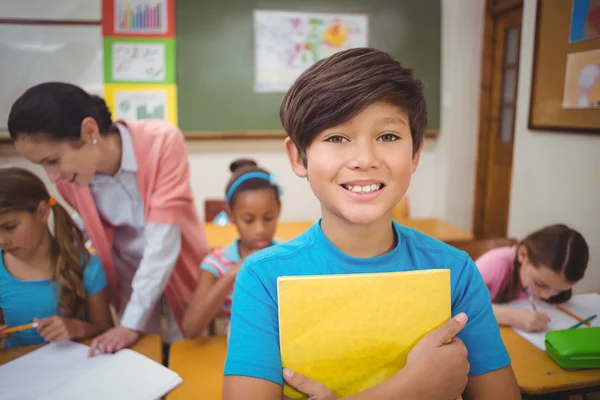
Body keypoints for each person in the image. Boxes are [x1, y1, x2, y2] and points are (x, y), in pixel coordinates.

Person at [222, 48, 521, 400]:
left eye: (388, 137)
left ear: (415, 154)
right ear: (298, 156)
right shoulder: (263, 277)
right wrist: (413, 389)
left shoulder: (455, 271)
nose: (365, 159)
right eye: (337, 138)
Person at [7, 82, 210, 354]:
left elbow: (163, 243)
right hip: (125, 269)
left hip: (178, 260)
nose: (52, 177)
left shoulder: (162, 141)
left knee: (188, 345)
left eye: (53, 160)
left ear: (89, 130)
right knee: (143, 351)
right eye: (42, 165)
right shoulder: (71, 179)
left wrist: (130, 323)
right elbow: (90, 227)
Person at [0, 167, 111, 348]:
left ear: (42, 212)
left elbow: (106, 330)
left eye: (10, 227)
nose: (1, 240)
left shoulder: (86, 266)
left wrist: (78, 328)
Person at [181, 159, 282, 338]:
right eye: (249, 220)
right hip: (241, 354)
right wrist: (233, 273)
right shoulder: (217, 263)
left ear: (279, 210)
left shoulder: (287, 255)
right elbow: (190, 328)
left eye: (268, 218)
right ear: (230, 215)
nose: (260, 230)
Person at [476, 224, 589, 332]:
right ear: (523, 255)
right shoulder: (495, 264)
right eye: (540, 284)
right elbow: (460, 305)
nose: (546, 295)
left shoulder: (548, 279)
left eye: (558, 291)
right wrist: (511, 317)